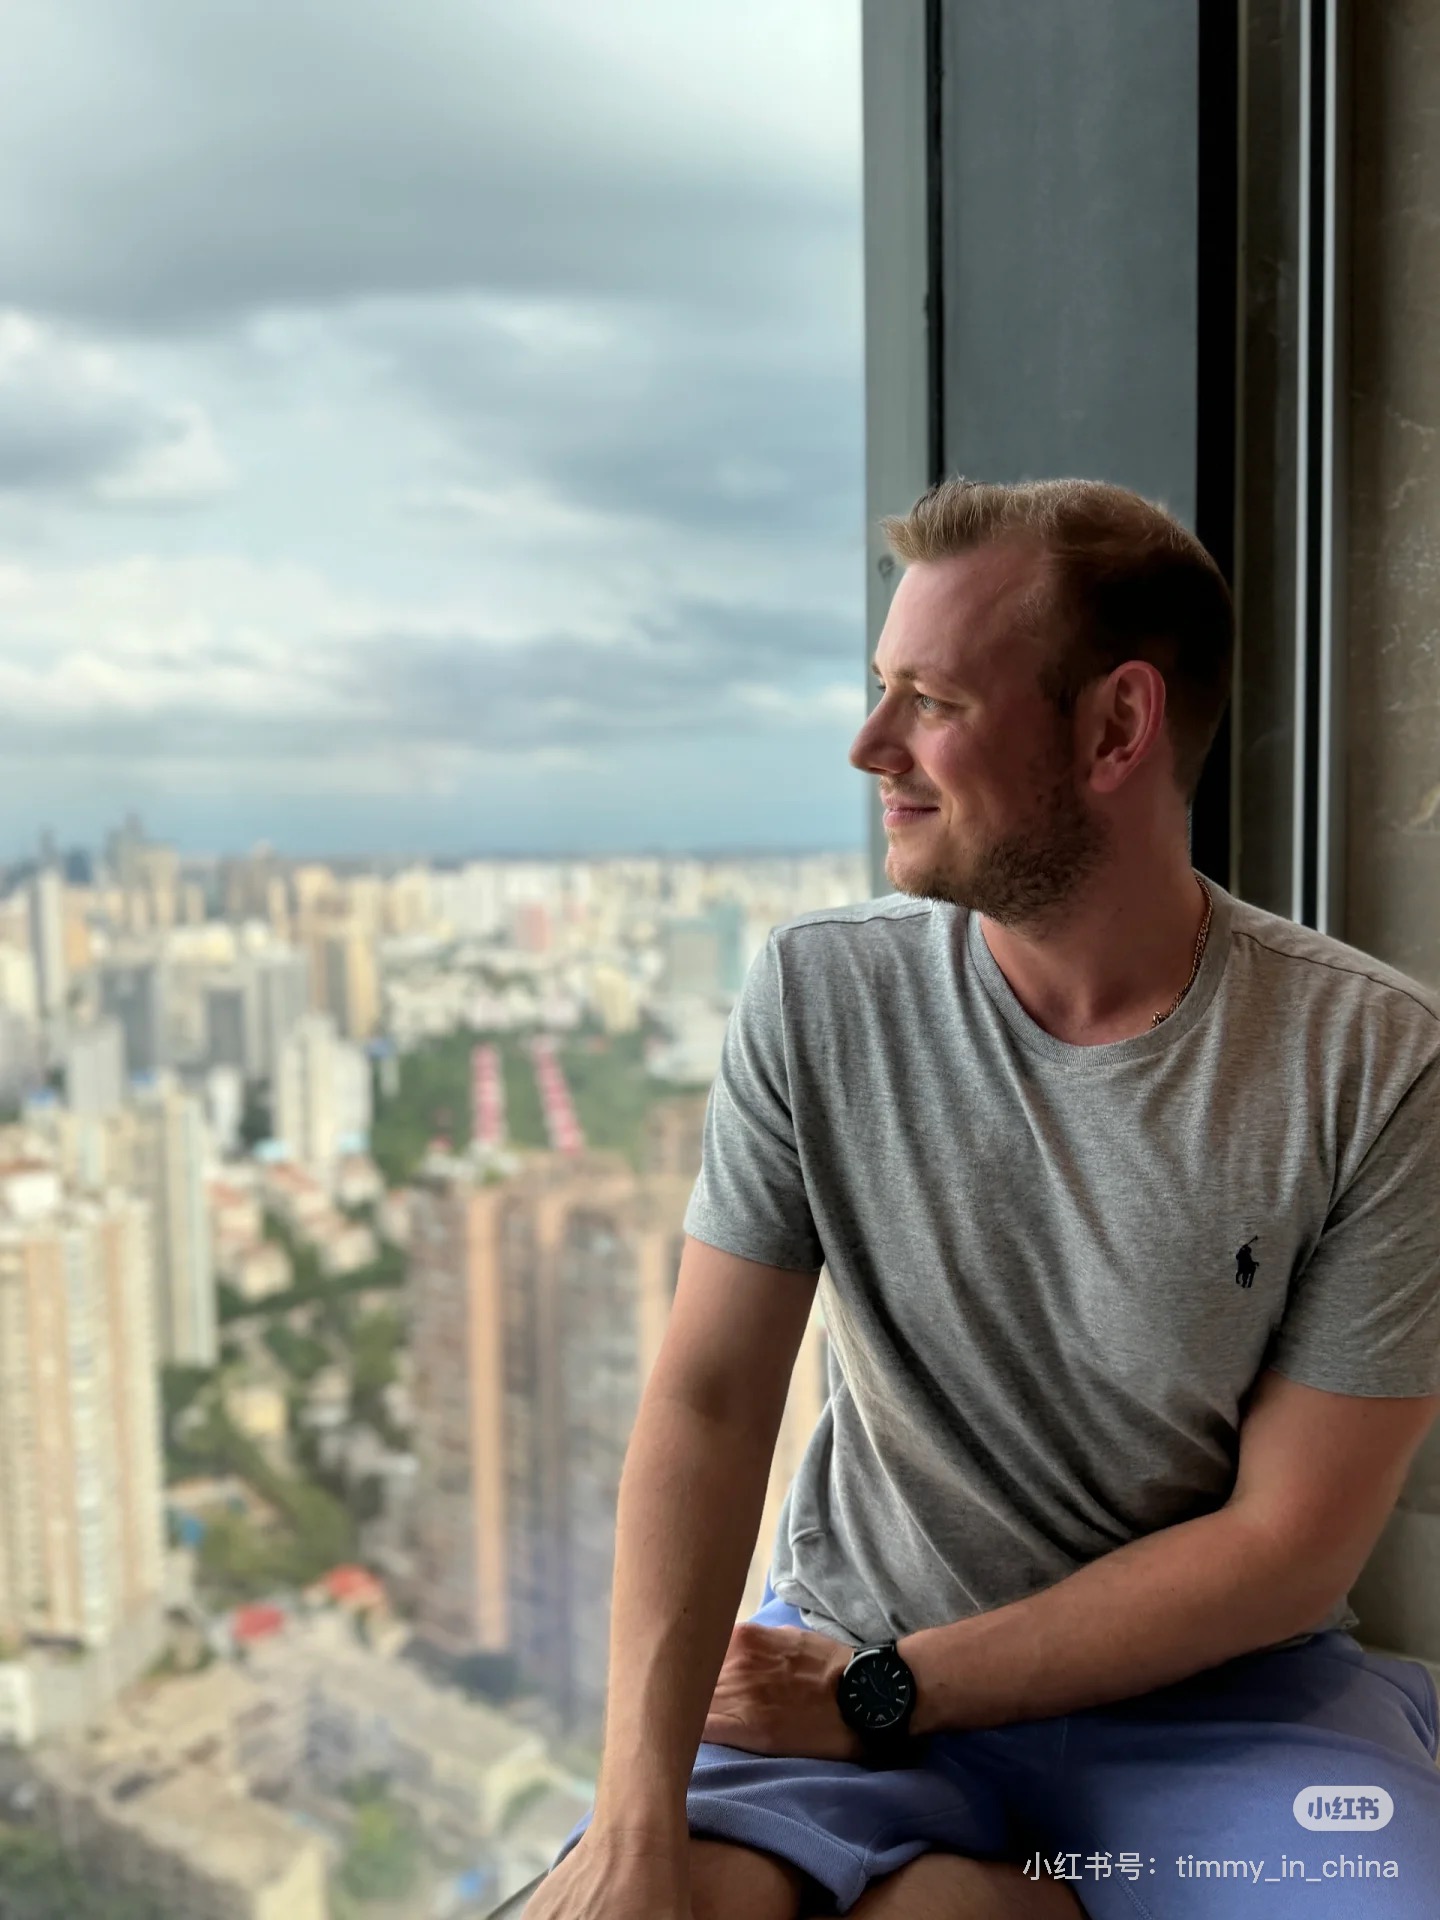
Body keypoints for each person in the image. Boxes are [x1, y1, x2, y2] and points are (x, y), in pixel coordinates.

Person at [526, 478, 1440, 1920]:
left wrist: (887, 1694)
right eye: (880, 686)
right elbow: (708, 1399)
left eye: (932, 701)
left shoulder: (1375, 1060)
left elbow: (1287, 1548)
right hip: (846, 1648)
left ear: (1116, 728)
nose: (869, 743)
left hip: (1214, 1707)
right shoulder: (820, 996)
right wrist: (635, 1823)